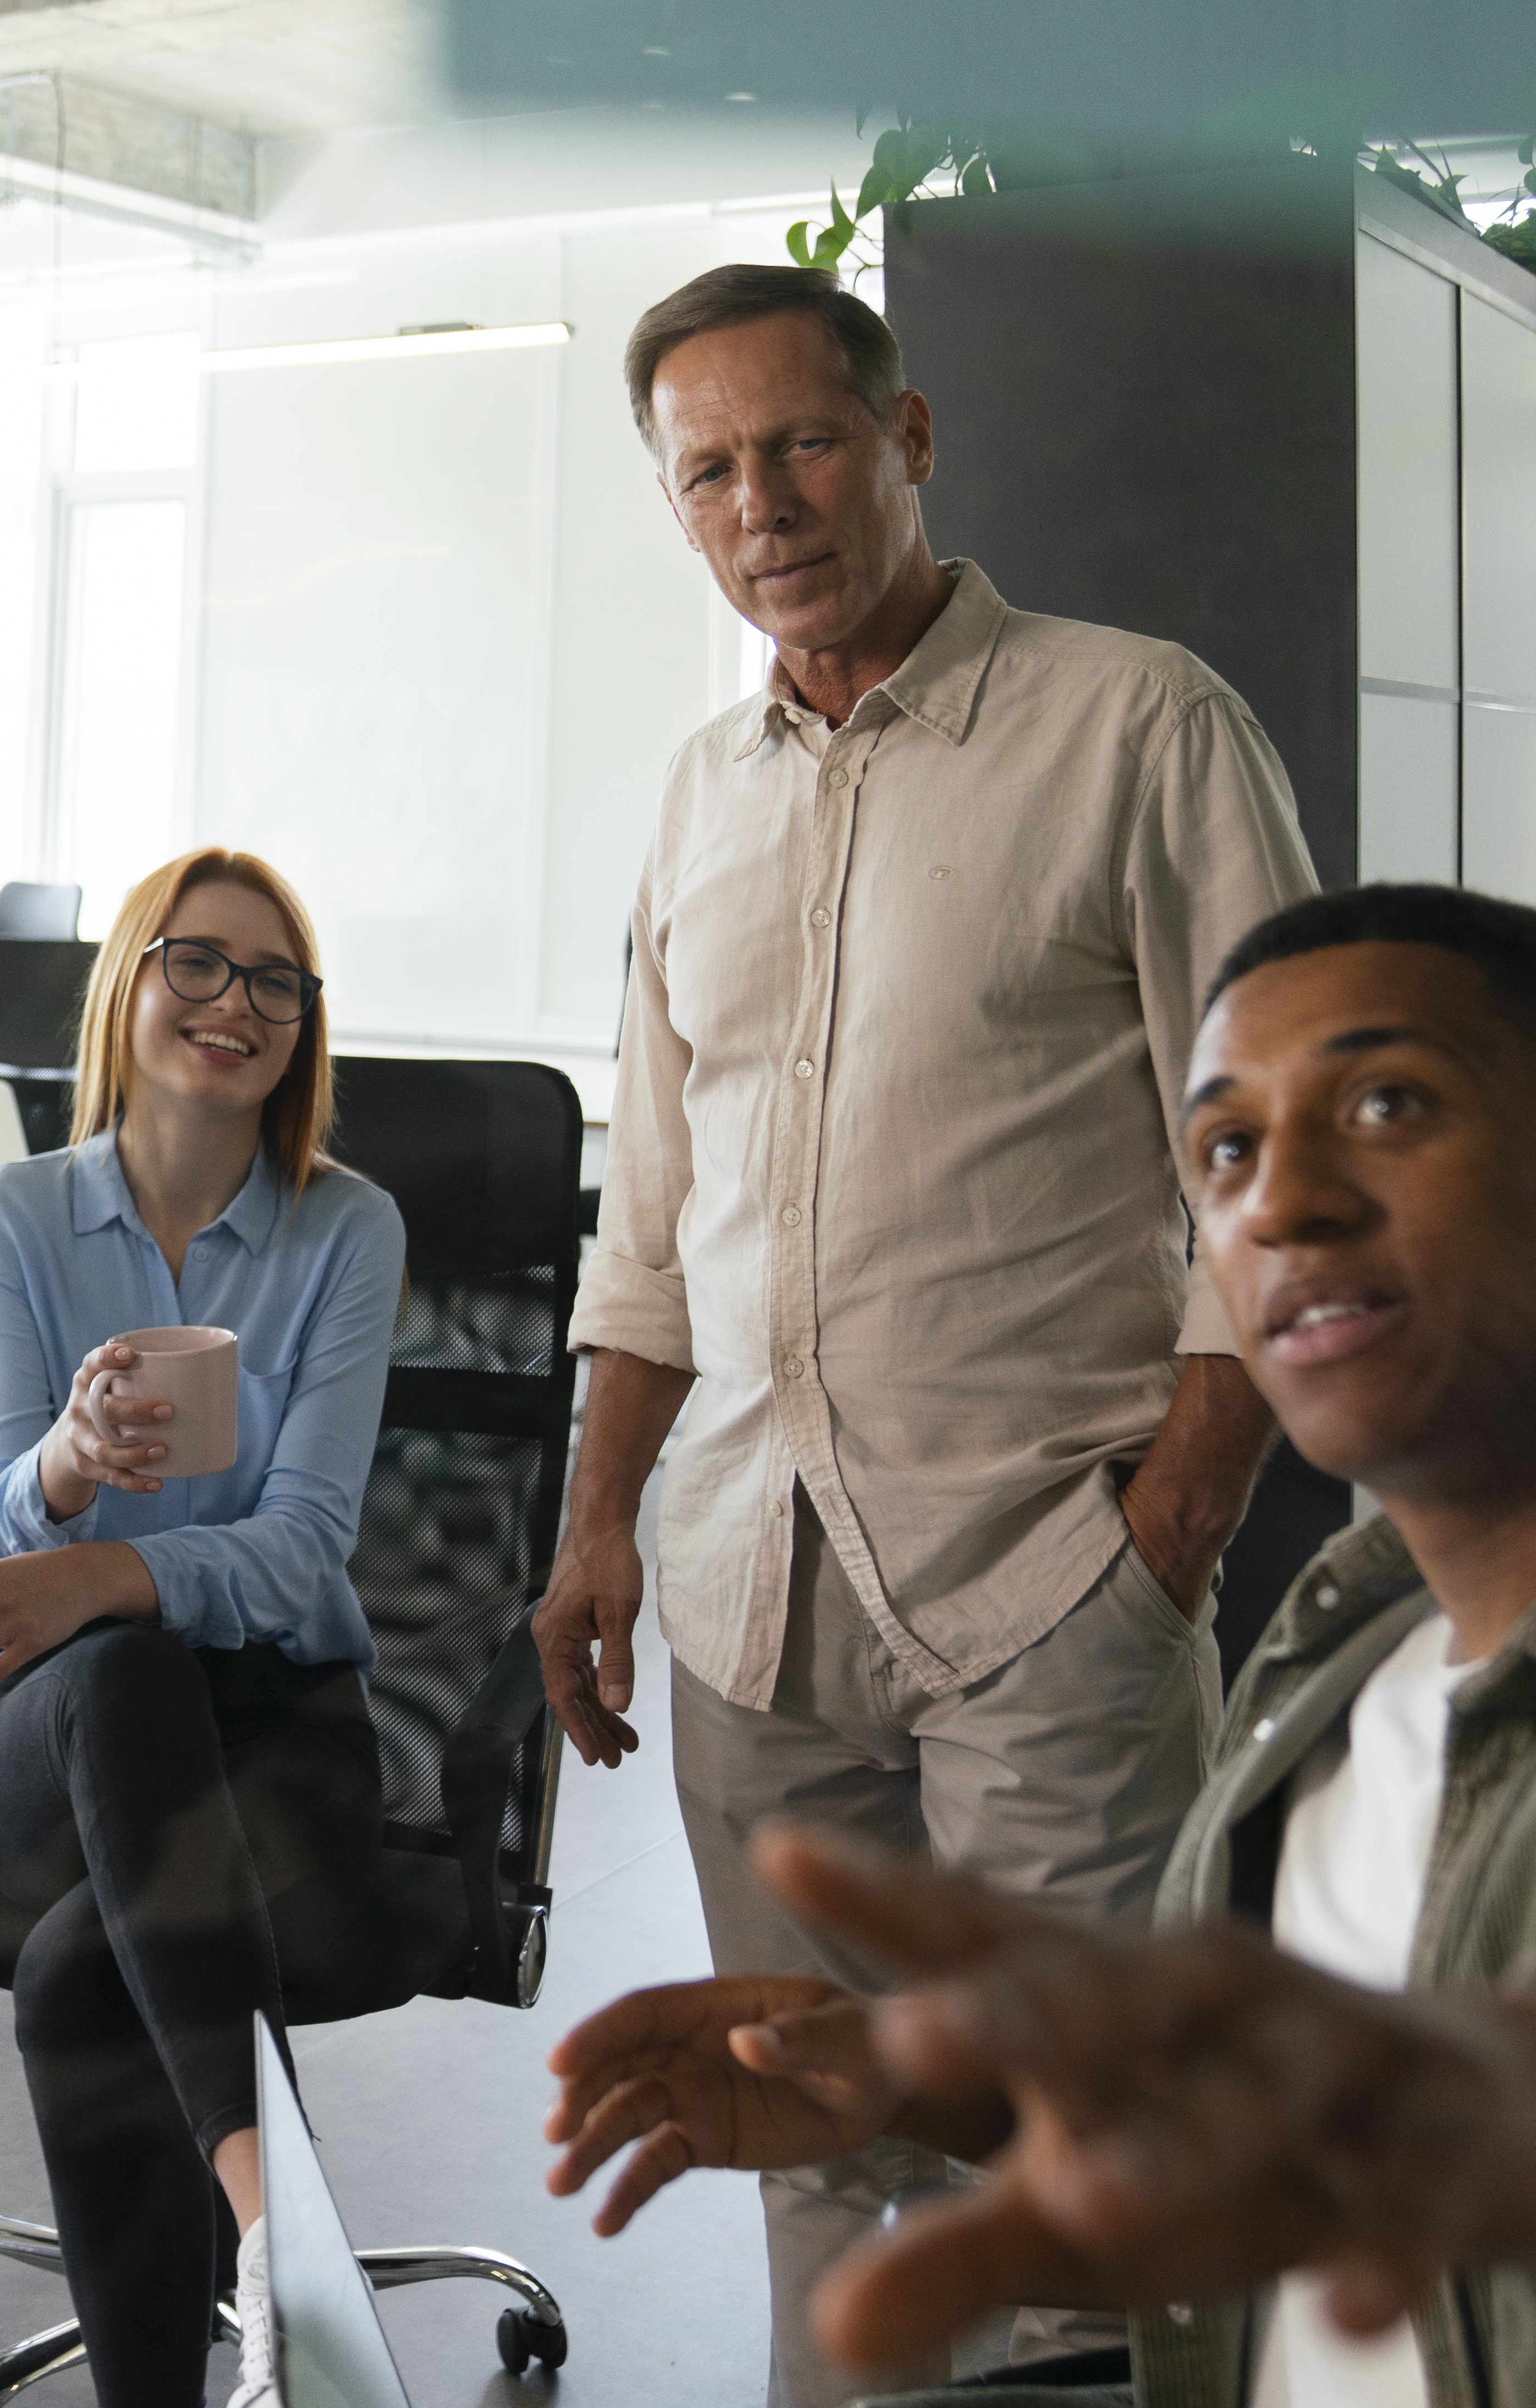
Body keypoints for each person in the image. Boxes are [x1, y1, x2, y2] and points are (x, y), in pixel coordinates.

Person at [544, 884, 1536, 2408]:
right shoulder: (1358, 1624)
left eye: (1386, 1104)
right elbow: (1263, 2146)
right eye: (1223, 1150)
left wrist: (1442, 2108)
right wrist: (917, 2077)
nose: (1282, 1202)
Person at [534, 258, 1322, 2399]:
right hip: (748, 1603)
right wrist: (601, 1521)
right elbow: (653, 1213)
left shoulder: (1136, 724)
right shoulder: (703, 794)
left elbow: (1289, 1165)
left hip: (1046, 1588)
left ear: (908, 438)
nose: (763, 503)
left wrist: (1164, 1533)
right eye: (710, 473)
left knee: (1069, 2197)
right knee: (813, 2155)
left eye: (801, 442)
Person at [0, 845, 409, 2408]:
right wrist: (63, 1473)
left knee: (79, 1972)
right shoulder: (13, 1219)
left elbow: (309, 1553)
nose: (233, 1003)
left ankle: (242, 2317)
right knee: (117, 1670)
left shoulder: (346, 1234)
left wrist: (111, 1572)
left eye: (271, 980)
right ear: (128, 983)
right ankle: (281, 2223)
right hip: (51, 1743)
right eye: (195, 962)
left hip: (274, 1730)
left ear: (300, 1026)